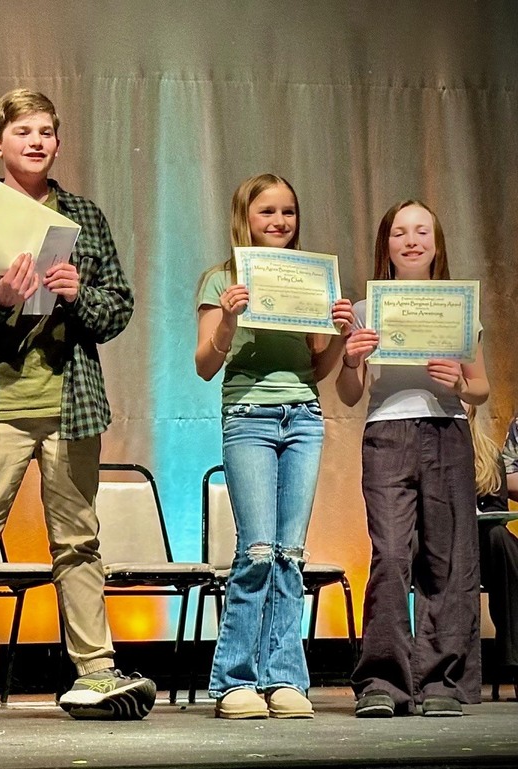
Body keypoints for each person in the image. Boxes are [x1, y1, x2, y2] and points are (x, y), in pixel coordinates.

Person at [0, 88, 155, 728]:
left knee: (78, 542)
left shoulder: (83, 216)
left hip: (70, 405)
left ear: (58, 142)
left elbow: (118, 308)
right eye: (23, 132)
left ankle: (95, 671)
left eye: (46, 131)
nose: (36, 141)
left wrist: (78, 295)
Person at [194, 173, 353, 719]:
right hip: (249, 416)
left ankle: (284, 678)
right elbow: (205, 364)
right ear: (245, 217)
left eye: (288, 211)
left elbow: (319, 367)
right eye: (267, 211)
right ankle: (235, 680)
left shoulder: (309, 278)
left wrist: (338, 333)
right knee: (257, 550)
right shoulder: (222, 280)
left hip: (303, 416)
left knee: (290, 555)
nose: (280, 221)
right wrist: (229, 319)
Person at [337, 199, 489, 717]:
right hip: (387, 433)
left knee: (447, 560)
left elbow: (481, 388)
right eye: (400, 232)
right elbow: (350, 393)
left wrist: (461, 384)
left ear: (436, 243)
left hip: (447, 431)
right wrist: (352, 360)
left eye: (422, 230)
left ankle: (441, 681)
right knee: (390, 555)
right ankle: (383, 681)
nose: (411, 240)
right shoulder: (365, 309)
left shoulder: (458, 306)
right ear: (386, 245)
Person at [471, 407, 518, 679]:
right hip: (439, 544)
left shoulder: (488, 453)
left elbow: (496, 510)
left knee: (499, 538)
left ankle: (513, 659)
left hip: (482, 547)